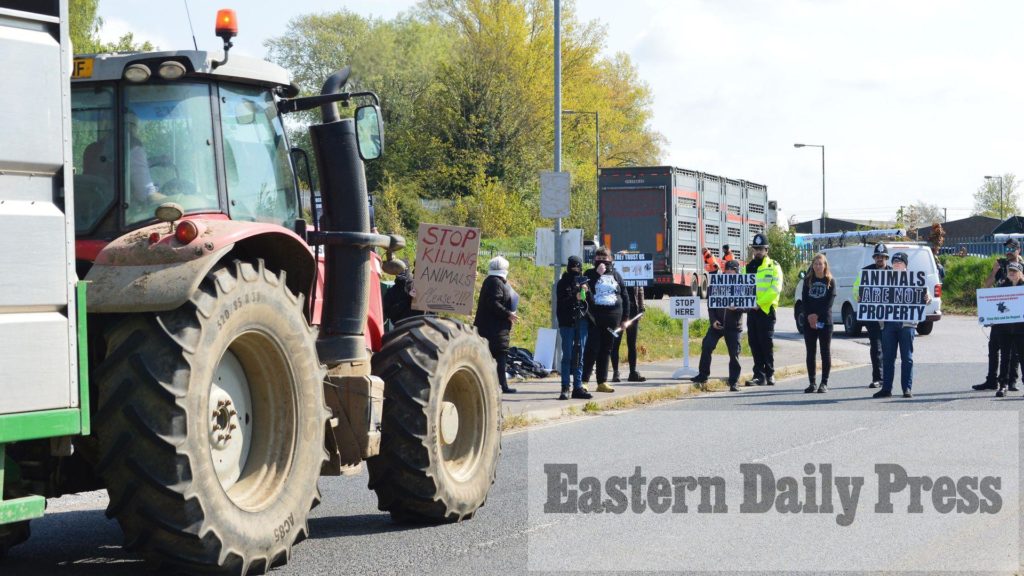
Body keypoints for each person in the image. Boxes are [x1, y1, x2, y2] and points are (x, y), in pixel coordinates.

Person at [873, 252, 931, 399]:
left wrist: (927, 297)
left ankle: (907, 388)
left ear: (906, 264)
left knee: (907, 358)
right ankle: (886, 389)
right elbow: (875, 296)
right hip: (889, 324)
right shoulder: (885, 279)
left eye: (900, 262)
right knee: (888, 358)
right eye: (895, 262)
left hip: (907, 324)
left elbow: (927, 297)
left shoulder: (915, 279)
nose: (897, 264)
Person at [974, 239, 1022, 391]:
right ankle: (991, 380)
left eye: (1012, 248)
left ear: (1018, 250)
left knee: (1015, 351)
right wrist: (994, 271)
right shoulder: (1000, 265)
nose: (1008, 251)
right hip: (1000, 317)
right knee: (993, 347)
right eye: (1006, 248)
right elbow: (986, 286)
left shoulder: (1022, 266)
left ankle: (1011, 381)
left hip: (1018, 319)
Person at [581, 247, 630, 393]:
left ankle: (602, 381)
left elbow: (625, 297)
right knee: (592, 349)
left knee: (606, 350)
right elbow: (585, 291)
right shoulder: (589, 273)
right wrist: (597, 274)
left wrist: (625, 319)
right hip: (595, 319)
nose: (602, 261)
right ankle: (584, 381)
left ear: (611, 260)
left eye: (605, 258)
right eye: (599, 258)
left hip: (613, 319)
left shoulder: (616, 275)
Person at [693, 259, 745, 391]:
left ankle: (734, 381)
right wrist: (713, 320)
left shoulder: (742, 286)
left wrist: (737, 308)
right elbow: (711, 305)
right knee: (707, 345)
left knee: (734, 354)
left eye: (731, 273)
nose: (728, 276)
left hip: (734, 326)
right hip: (718, 324)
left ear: (737, 273)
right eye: (726, 273)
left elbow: (748, 306)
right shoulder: (717, 285)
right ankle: (703, 375)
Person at [473, 256, 517, 394]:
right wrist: (508, 313)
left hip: (491, 327)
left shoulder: (490, 281)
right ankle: (502, 386)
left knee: (495, 357)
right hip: (494, 328)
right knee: (500, 356)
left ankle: (497, 385)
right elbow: (494, 303)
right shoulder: (496, 283)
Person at [745, 233, 783, 386]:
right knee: (754, 343)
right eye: (756, 248)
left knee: (766, 343)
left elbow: (775, 289)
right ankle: (758, 375)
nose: (758, 251)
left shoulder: (774, 266)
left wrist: (759, 303)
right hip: (751, 311)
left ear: (766, 250)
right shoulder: (748, 268)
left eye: (761, 249)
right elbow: (741, 288)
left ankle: (770, 373)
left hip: (766, 311)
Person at [555, 256, 594, 400]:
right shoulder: (562, 283)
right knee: (568, 356)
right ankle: (565, 386)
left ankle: (578, 387)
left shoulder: (584, 281)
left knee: (580, 355)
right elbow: (562, 303)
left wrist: (587, 291)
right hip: (567, 322)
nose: (576, 271)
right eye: (573, 267)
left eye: (578, 268)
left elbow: (592, 302)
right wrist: (575, 296)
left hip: (582, 321)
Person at [857, 243, 891, 388]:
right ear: (874, 258)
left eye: (882, 256)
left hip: (889, 317)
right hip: (872, 316)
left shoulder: (894, 272)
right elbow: (856, 288)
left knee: (888, 348)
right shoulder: (865, 272)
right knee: (876, 348)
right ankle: (878, 378)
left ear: (886, 258)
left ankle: (888, 377)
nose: (880, 259)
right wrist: (858, 297)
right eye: (877, 256)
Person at [802, 253, 836, 394]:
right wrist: (810, 316)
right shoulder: (807, 280)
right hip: (809, 321)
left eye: (820, 264)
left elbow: (829, 302)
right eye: (815, 263)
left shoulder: (830, 281)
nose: (817, 266)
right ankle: (812, 382)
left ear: (825, 265)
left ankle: (824, 382)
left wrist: (817, 316)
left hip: (824, 321)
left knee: (825, 352)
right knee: (810, 352)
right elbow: (804, 300)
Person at [996, 261, 1024, 397]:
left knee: (1022, 357)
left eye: (1014, 271)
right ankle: (1003, 385)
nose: (1012, 273)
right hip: (1005, 328)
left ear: (1020, 273)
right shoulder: (1002, 286)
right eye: (1010, 271)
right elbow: (993, 304)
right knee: (1005, 357)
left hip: (1021, 328)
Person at [610, 279, 646, 383]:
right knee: (615, 344)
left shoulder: (634, 270)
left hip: (633, 310)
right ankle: (615, 372)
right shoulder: (615, 272)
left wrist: (641, 307)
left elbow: (640, 288)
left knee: (632, 343)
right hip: (618, 311)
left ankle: (632, 372)